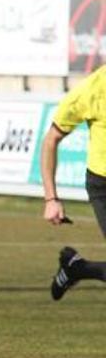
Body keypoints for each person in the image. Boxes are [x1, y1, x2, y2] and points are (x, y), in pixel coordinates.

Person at [43, 66, 106, 300]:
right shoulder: (92, 89)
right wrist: (51, 199)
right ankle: (76, 268)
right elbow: (51, 140)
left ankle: (75, 268)